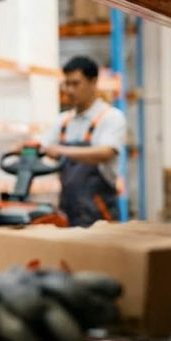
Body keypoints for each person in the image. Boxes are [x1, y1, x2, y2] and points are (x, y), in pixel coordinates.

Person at [39, 55, 126, 227]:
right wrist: (27, 148)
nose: (69, 90)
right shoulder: (63, 121)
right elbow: (44, 146)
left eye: (75, 83)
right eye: (67, 83)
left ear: (93, 82)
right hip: (67, 210)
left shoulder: (110, 117)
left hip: (100, 214)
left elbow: (105, 152)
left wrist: (62, 151)